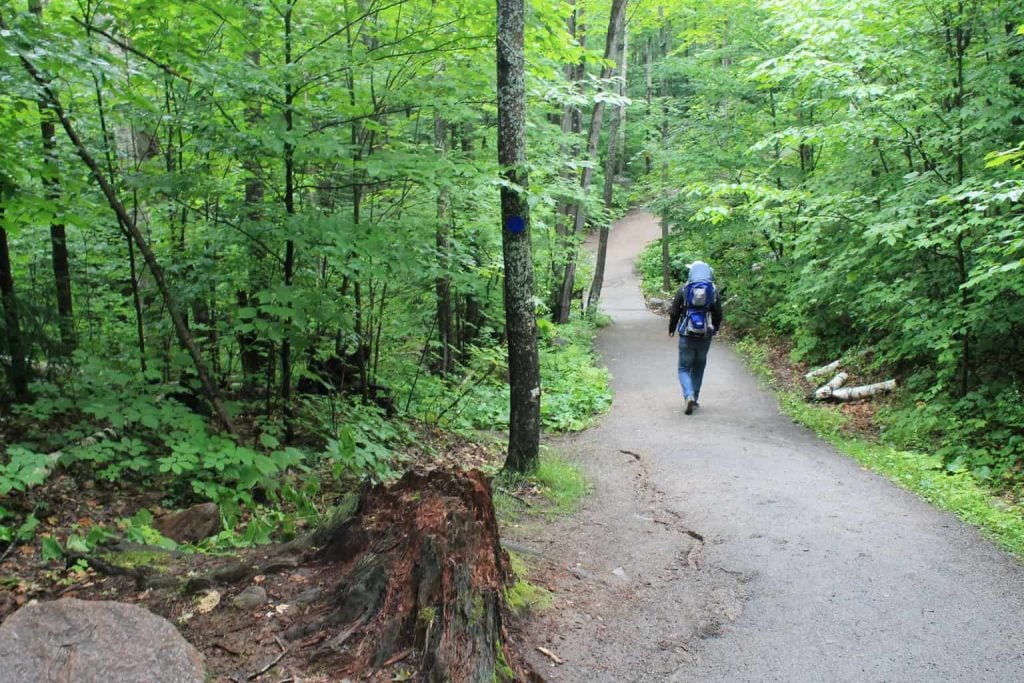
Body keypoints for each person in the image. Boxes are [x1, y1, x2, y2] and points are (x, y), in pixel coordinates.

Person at [668, 260, 723, 415]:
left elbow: (674, 312)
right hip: (705, 336)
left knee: (684, 368)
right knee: (699, 366)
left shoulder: (684, 290)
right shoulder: (712, 291)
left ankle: (688, 395)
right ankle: (695, 399)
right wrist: (715, 329)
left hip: (687, 334)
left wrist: (672, 329)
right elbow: (718, 313)